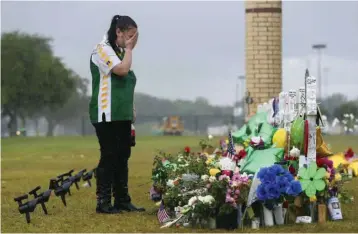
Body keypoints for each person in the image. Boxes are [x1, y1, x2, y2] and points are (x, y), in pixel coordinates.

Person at [89, 15, 145, 214]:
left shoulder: (119, 52)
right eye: (129, 36)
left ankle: (122, 200)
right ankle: (103, 202)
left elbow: (125, 84)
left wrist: (131, 108)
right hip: (106, 114)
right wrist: (129, 50)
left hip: (121, 115)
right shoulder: (102, 49)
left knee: (123, 155)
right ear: (118, 32)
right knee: (109, 155)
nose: (132, 41)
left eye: (135, 37)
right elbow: (121, 71)